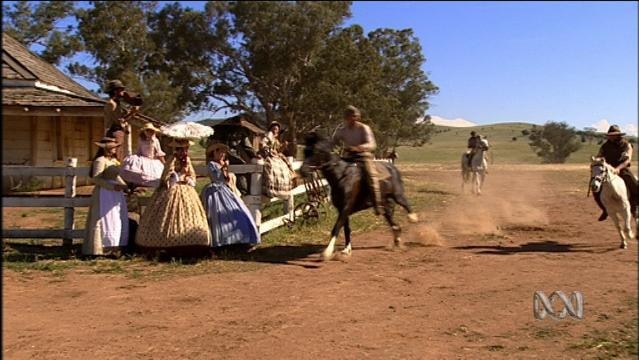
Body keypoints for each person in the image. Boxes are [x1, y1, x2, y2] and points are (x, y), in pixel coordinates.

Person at [135, 138, 211, 257]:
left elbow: (192, 175)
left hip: (186, 190)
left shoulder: (188, 160)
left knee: (191, 216)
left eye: (186, 149)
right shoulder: (172, 159)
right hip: (172, 189)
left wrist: (187, 177)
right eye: (181, 149)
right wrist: (175, 176)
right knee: (167, 216)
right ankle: (165, 245)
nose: (184, 151)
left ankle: (194, 244)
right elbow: (165, 176)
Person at [201, 143, 260, 248]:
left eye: (223, 153)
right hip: (215, 191)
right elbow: (216, 177)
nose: (222, 155)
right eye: (220, 152)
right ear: (214, 153)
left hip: (225, 189)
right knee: (218, 216)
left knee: (240, 212)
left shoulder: (223, 163)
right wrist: (223, 168)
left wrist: (226, 169)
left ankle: (242, 239)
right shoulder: (212, 164)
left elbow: (227, 179)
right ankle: (222, 242)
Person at [331, 105, 384, 215]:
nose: (354, 119)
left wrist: (358, 148)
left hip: (363, 156)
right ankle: (341, 200)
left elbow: (372, 144)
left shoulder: (364, 128)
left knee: (371, 175)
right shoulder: (342, 130)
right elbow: (333, 141)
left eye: (355, 116)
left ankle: (377, 203)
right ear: (346, 118)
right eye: (351, 117)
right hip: (348, 156)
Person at [82, 137, 129, 257]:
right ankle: (98, 248)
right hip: (104, 192)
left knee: (115, 219)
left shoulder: (113, 161)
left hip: (115, 194)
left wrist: (123, 185)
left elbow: (116, 176)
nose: (115, 149)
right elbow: (96, 178)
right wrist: (112, 187)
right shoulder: (100, 160)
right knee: (103, 219)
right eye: (113, 147)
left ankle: (114, 247)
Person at [593, 125, 637, 221]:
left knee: (635, 185)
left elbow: (627, 160)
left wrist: (617, 169)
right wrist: (596, 160)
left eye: (614, 135)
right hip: (607, 170)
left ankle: (635, 208)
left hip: (622, 169)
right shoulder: (605, 146)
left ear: (618, 135)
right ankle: (605, 210)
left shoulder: (626, 145)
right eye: (610, 135)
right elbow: (599, 156)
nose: (611, 137)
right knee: (595, 189)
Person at [120, 122, 166, 188]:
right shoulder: (141, 140)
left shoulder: (155, 141)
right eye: (147, 131)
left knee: (153, 175)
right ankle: (133, 186)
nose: (149, 132)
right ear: (144, 131)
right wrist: (135, 159)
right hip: (142, 158)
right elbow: (139, 150)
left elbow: (159, 152)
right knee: (134, 168)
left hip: (151, 160)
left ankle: (146, 187)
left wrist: (164, 163)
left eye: (151, 131)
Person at [104, 79, 136, 162]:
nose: (123, 91)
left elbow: (121, 120)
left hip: (118, 132)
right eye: (121, 89)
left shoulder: (117, 103)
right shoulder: (111, 104)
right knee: (116, 157)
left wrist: (131, 113)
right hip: (114, 132)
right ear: (115, 91)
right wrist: (131, 113)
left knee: (119, 156)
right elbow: (119, 121)